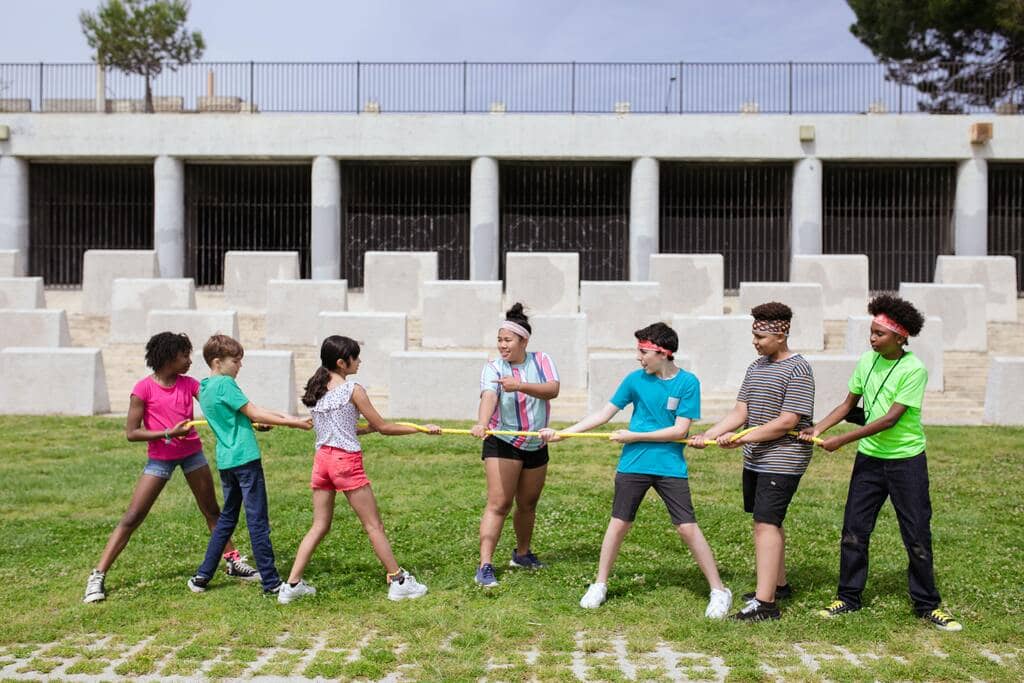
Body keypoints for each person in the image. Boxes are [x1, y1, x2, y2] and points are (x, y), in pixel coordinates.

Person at [541, 322, 732, 618]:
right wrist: (563, 434)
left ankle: (719, 591)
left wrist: (633, 435)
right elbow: (604, 415)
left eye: (643, 351)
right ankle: (599, 584)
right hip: (633, 464)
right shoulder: (635, 380)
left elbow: (679, 429)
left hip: (669, 466)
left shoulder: (688, 383)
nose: (638, 357)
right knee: (619, 524)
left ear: (662, 352)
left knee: (686, 527)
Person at [801, 295, 962, 631]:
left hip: (906, 462)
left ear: (900, 338)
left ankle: (927, 604)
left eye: (879, 334)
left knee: (916, 534)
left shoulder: (914, 370)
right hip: (870, 461)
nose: (872, 339)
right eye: (871, 332)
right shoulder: (867, 361)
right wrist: (819, 427)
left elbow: (890, 419)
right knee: (854, 532)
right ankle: (848, 597)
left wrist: (841, 440)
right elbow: (848, 406)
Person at [84, 332, 259, 604]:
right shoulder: (142, 390)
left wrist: (254, 422)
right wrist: (167, 433)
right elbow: (132, 432)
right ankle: (98, 575)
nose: (189, 361)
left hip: (192, 455)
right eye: (184, 356)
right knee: (133, 516)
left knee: (213, 511)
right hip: (160, 460)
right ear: (167, 358)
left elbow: (219, 408)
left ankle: (232, 561)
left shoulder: (190, 384)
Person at [278, 335, 438, 604]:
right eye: (356, 357)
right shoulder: (352, 390)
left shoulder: (317, 389)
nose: (359, 361)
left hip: (322, 462)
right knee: (373, 525)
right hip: (345, 463)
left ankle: (291, 585)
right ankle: (398, 580)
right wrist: (420, 429)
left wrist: (365, 430)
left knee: (319, 525)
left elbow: (341, 429)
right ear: (342, 363)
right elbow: (385, 427)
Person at [690, 302, 815, 622]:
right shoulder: (756, 367)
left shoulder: (799, 369)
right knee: (767, 522)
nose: (755, 341)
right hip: (756, 456)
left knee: (765, 523)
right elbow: (740, 412)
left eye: (761, 336)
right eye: (754, 334)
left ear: (782, 333)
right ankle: (779, 584)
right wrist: (710, 434)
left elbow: (788, 421)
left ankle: (766, 604)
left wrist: (742, 438)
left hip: (783, 457)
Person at [186, 334, 312, 596]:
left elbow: (247, 413)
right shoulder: (225, 384)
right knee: (257, 520)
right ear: (218, 361)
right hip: (245, 459)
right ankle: (271, 582)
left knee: (227, 519)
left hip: (226, 462)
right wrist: (294, 423)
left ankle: (201, 577)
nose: (239, 366)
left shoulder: (206, 387)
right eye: (236, 361)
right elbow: (254, 413)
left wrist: (285, 416)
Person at [470, 303, 560, 588]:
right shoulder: (494, 367)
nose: (502, 345)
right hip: (503, 440)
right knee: (499, 503)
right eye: (499, 340)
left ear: (524, 341)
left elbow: (553, 389)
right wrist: (483, 423)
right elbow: (488, 396)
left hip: (535, 442)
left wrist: (519, 385)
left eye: (507, 340)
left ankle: (522, 554)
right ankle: (484, 565)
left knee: (528, 503)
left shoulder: (542, 360)